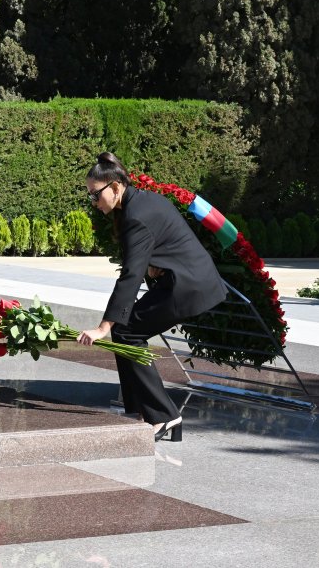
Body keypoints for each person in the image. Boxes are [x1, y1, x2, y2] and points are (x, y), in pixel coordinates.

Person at [77, 152, 227, 441]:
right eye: (90, 197)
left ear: (115, 187)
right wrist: (157, 264)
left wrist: (102, 327)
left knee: (126, 332)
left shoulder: (136, 216)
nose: (94, 203)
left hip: (188, 286)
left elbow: (130, 276)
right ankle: (142, 412)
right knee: (126, 332)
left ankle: (165, 415)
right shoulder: (138, 202)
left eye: (95, 195)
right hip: (183, 279)